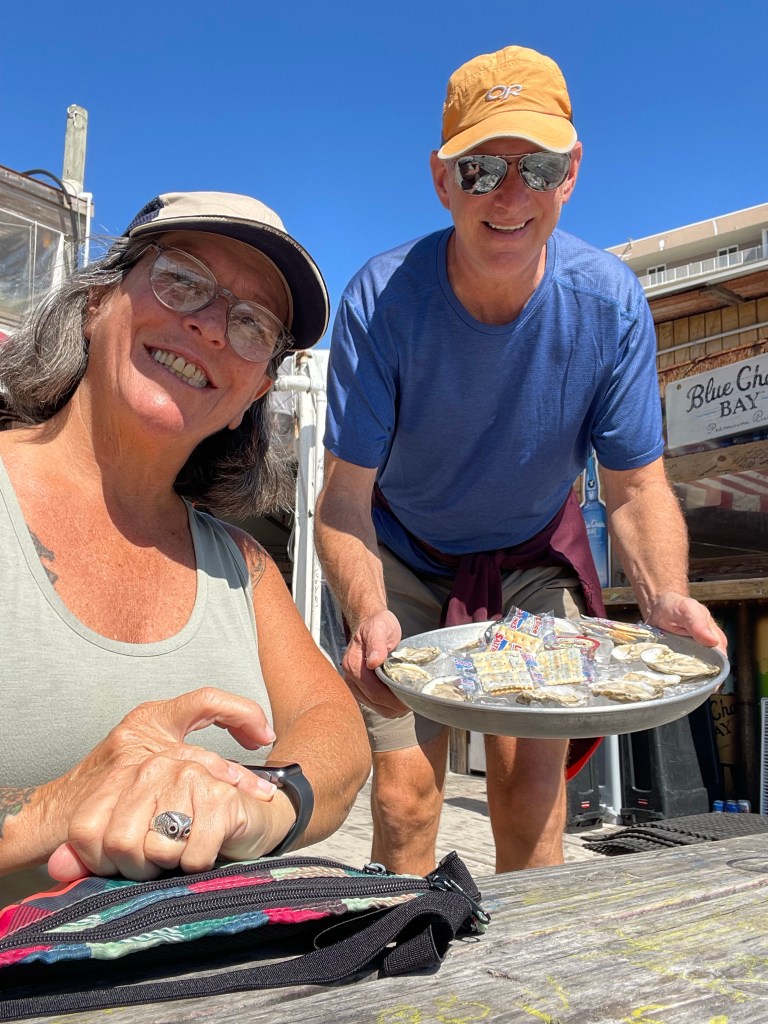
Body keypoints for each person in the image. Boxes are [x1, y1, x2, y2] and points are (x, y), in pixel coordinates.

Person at [314, 46, 726, 877]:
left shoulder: (610, 304)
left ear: (570, 174)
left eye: (536, 167)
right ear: (442, 180)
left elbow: (635, 488)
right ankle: (404, 946)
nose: (510, 196)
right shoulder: (381, 301)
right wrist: (367, 611)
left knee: (531, 792)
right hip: (402, 553)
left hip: (533, 554)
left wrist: (665, 596)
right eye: (480, 169)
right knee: (405, 797)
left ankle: (528, 961)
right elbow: (344, 501)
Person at [0, 191, 370, 907]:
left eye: (252, 323)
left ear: (255, 393)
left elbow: (337, 734)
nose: (211, 327)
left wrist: (258, 804)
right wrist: (55, 805)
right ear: (95, 302)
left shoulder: (241, 567)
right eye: (182, 280)